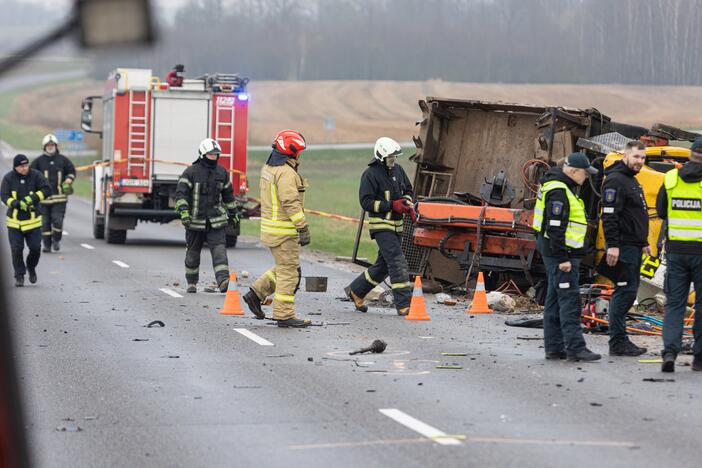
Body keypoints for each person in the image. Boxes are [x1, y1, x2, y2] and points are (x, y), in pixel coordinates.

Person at [533, 152, 601, 362]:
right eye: (584, 173)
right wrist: (562, 258)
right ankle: (575, 347)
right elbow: (554, 227)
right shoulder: (559, 191)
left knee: (554, 300)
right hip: (562, 255)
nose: (586, 177)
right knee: (569, 300)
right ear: (572, 171)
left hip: (558, 252)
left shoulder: (559, 187)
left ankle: (554, 348)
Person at [242, 130, 311, 328]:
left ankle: (255, 294)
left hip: (272, 230)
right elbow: (290, 202)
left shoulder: (269, 168)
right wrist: (303, 227)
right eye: (298, 152)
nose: (299, 156)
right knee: (290, 272)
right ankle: (284, 314)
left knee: (284, 267)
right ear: (291, 152)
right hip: (284, 232)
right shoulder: (286, 173)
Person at [344, 137, 415, 316]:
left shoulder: (398, 170)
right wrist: (391, 205)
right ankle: (404, 304)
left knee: (383, 266)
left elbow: (408, 189)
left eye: (395, 157)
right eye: (390, 157)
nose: (394, 160)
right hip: (381, 227)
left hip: (397, 226)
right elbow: (366, 202)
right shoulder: (370, 175)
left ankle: (356, 291)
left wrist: (407, 201)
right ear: (381, 156)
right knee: (397, 262)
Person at [656, 136, 702, 373]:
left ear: (690, 153)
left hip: (676, 252)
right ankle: (699, 358)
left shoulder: (671, 178)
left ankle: (670, 353)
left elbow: (662, 212)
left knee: (675, 304)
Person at [601, 140, 650, 356]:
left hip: (634, 245)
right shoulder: (616, 180)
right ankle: (617, 342)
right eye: (636, 157)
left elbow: (634, 215)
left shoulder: (631, 180)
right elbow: (609, 216)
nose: (640, 161)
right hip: (622, 247)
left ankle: (619, 340)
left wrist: (644, 241)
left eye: (643, 158)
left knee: (628, 292)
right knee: (624, 292)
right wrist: (612, 245)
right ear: (626, 156)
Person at [174, 138, 237, 294]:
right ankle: (192, 283)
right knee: (192, 254)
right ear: (203, 154)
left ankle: (223, 281)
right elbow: (180, 194)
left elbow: (228, 196)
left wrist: (234, 214)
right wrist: (184, 212)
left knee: (219, 251)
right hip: (194, 222)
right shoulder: (190, 172)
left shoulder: (222, 172)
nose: (214, 157)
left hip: (216, 222)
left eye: (216, 155)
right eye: (211, 155)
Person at [1, 154, 50, 286]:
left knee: (35, 249)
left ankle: (31, 267)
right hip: (15, 223)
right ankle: (19, 276)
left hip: (33, 222)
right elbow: (4, 196)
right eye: (21, 166)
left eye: (26, 165)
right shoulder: (8, 178)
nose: (24, 168)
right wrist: (15, 203)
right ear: (15, 167)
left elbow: (47, 189)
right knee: (16, 249)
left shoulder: (36, 175)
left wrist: (32, 198)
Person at [30, 133, 76, 252]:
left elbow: (71, 171)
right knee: (45, 224)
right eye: (48, 145)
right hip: (43, 200)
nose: (50, 146)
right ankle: (47, 245)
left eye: (52, 144)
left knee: (57, 221)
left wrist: (69, 179)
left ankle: (56, 240)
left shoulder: (63, 160)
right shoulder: (38, 162)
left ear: (56, 146)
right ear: (44, 146)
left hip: (59, 198)